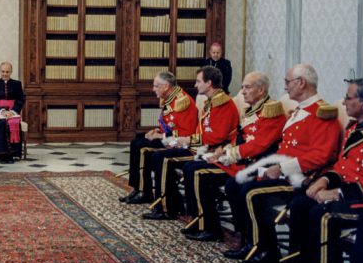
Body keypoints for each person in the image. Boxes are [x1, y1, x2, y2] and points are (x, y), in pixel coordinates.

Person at [229, 64, 341, 263]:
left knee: (252, 192)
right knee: (238, 184)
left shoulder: (322, 112)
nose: (285, 87)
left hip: (303, 178)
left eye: (288, 82)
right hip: (287, 172)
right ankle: (252, 243)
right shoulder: (300, 110)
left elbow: (322, 155)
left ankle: (267, 250)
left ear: (301, 83)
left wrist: (282, 168)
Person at [285, 78, 363, 263]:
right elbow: (343, 167)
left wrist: (337, 193)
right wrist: (324, 181)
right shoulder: (353, 127)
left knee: (322, 215)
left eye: (348, 98)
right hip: (348, 191)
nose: (343, 101)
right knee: (300, 204)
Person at [180, 71, 285, 243]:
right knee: (194, 169)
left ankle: (216, 228)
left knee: (202, 174)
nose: (242, 91)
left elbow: (259, 145)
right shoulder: (253, 110)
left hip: (253, 164)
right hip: (240, 161)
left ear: (261, 90)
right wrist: (224, 150)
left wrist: (229, 154)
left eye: (247, 87)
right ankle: (209, 223)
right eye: (242, 87)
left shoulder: (271, 111)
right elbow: (239, 136)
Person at [143, 66, 238, 220]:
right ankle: (177, 208)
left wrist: (189, 140)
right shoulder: (212, 102)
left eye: (198, 81)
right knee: (160, 157)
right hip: (201, 147)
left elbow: (217, 137)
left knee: (164, 159)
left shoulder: (223, 104)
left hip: (211, 152)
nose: (195, 85)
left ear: (209, 83)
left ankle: (171, 209)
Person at [121, 71, 197, 204]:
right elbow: (170, 125)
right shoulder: (170, 97)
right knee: (136, 141)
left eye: (156, 86)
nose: (153, 89)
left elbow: (185, 133)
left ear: (166, 86)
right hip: (171, 137)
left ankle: (145, 192)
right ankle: (138, 187)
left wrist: (160, 135)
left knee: (142, 147)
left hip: (181, 143)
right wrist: (156, 130)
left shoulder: (182, 101)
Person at [0, 62, 26, 164]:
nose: (5, 74)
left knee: (11, 123)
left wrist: (12, 112)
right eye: (3, 71)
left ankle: (12, 154)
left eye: (7, 72)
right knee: (2, 123)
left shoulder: (17, 84)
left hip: (13, 113)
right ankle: (3, 155)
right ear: (0, 71)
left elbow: (20, 100)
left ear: (11, 72)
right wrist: (2, 111)